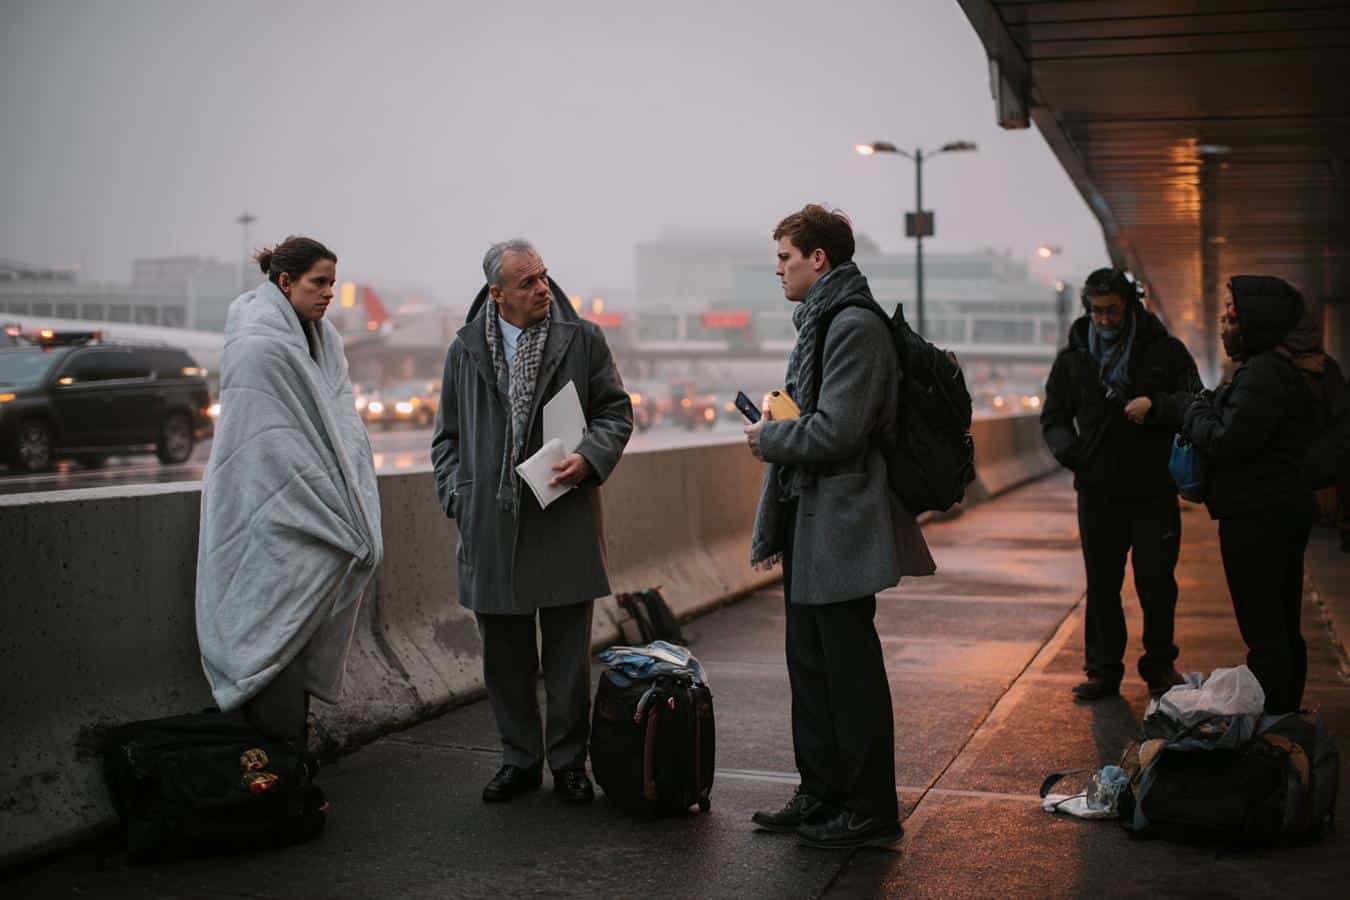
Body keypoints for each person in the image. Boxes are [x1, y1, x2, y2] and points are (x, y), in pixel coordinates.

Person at [745, 204, 934, 850]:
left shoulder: (853, 325)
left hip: (844, 519)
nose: (778, 270)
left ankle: (871, 806)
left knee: (848, 669)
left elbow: (839, 430)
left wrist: (771, 436)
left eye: (785, 258)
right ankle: (821, 791)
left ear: (818, 258)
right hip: (810, 514)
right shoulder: (822, 322)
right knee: (812, 665)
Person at [431, 239, 632, 805]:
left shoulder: (582, 339)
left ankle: (570, 763)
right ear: (498, 294)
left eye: (544, 276)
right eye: (527, 282)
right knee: (506, 660)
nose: (543, 288)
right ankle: (518, 760)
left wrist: (590, 457)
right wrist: (457, 494)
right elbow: (447, 437)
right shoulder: (465, 349)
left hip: (562, 510)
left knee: (569, 660)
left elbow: (616, 412)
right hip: (492, 524)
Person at [197, 236, 384, 746]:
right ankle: (275, 767)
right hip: (263, 509)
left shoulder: (325, 344)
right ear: (285, 283)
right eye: (317, 283)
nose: (328, 293)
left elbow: (340, 428)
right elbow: (264, 441)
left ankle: (287, 764)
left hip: (307, 505)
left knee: (296, 628)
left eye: (332, 283)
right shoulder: (257, 346)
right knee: (269, 627)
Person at [1041, 268, 1201, 701]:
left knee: (1156, 582)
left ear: (1130, 305)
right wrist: (1074, 456)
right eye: (1097, 312)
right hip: (1097, 491)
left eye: (1112, 311)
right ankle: (1103, 671)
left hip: (1153, 491)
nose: (1105, 320)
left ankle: (1160, 665)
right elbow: (1053, 417)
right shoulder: (1073, 359)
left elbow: (1195, 402)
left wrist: (1157, 406)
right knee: (1102, 585)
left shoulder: (1164, 351)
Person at [1184, 276, 1319, 714]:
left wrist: (1194, 414)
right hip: (1275, 510)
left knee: (1265, 633)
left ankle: (1276, 726)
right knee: (1281, 627)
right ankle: (1286, 718)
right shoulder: (1274, 370)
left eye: (1231, 315)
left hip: (1257, 516)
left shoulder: (1262, 375)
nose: (1224, 324)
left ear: (1255, 322)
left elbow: (1227, 440)